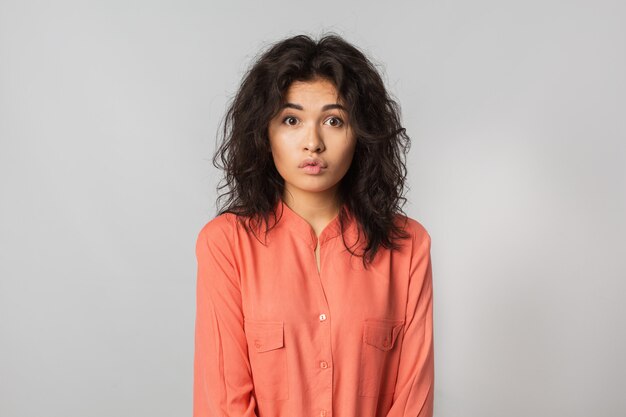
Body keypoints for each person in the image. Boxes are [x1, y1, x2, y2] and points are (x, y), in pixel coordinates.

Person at [193, 33, 434, 417]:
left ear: (361, 135)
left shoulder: (408, 245)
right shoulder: (226, 244)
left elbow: (413, 399)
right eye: (291, 120)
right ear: (263, 132)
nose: (313, 142)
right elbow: (223, 400)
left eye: (334, 120)